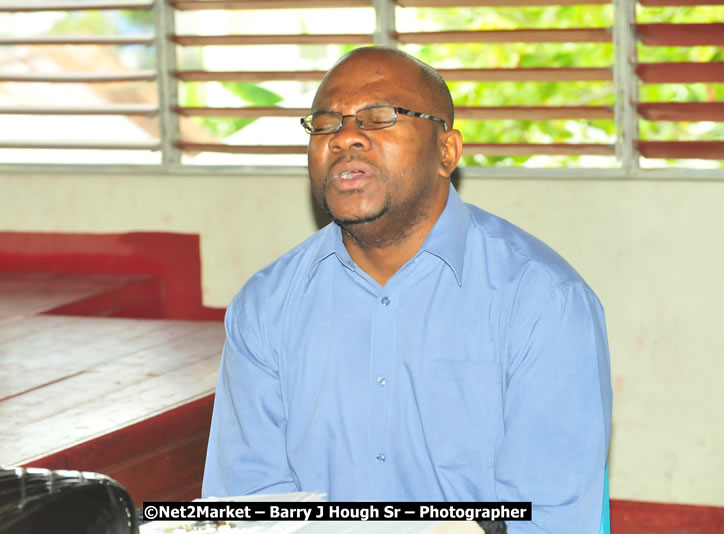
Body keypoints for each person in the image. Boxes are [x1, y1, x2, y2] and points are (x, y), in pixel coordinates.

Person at [202, 47, 612, 532]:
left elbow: (546, 520)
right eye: (326, 123)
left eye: (379, 117)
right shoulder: (265, 306)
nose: (345, 137)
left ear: (446, 152)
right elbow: (246, 509)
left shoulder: (542, 302)